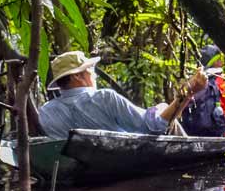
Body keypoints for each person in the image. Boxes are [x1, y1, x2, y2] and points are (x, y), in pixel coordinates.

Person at [38, 51, 207, 140]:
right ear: (77, 76)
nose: (94, 74)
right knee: (163, 111)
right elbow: (152, 126)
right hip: (122, 160)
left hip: (80, 169)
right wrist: (189, 90)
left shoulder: (46, 111)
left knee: (161, 108)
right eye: (90, 70)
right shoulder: (104, 98)